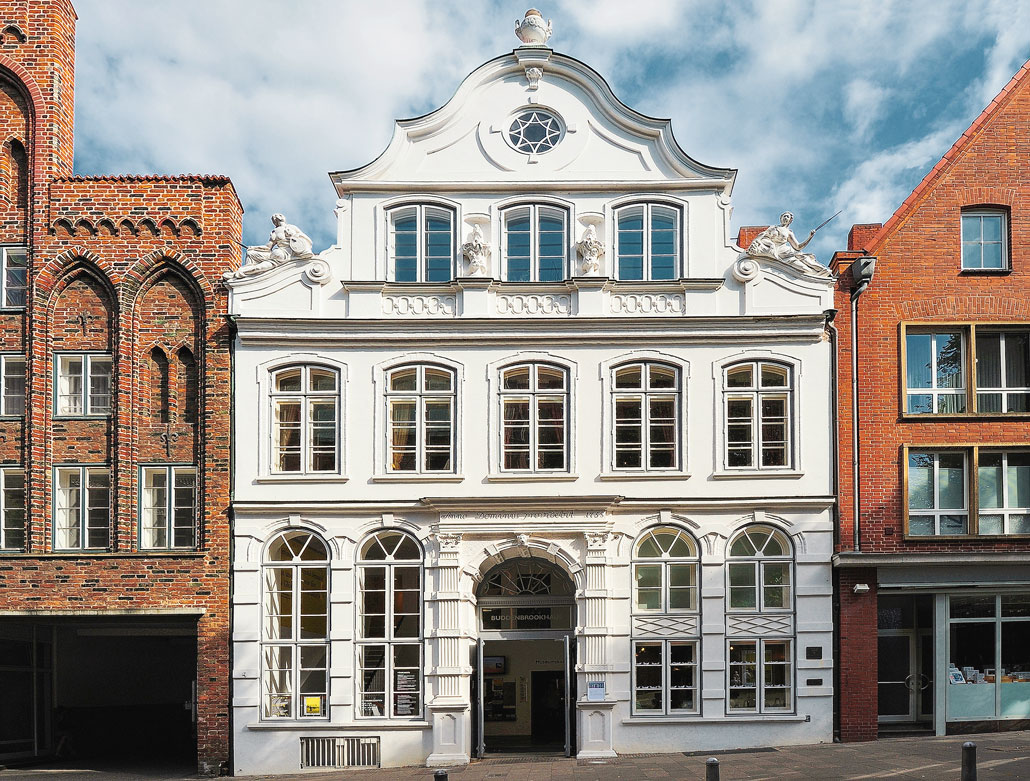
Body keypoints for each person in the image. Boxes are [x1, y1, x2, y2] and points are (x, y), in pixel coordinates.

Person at [224, 213, 315, 279]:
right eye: (275, 216)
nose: (277, 216)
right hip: (276, 254)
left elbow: (305, 239)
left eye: (279, 215)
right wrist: (253, 248)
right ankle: (244, 277)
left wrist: (294, 236)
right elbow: (268, 247)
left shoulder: (292, 227)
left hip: (286, 255)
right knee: (251, 253)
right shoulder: (274, 232)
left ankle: (240, 274)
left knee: (259, 267)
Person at [746, 211, 830, 276]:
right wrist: (757, 243)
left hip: (784, 250)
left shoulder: (789, 232)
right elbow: (762, 236)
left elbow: (798, 247)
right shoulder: (773, 228)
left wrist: (810, 237)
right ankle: (813, 273)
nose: (785, 218)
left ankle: (818, 272)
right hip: (771, 247)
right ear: (781, 218)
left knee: (802, 259)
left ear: (790, 220)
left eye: (787, 217)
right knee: (800, 262)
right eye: (784, 216)